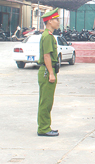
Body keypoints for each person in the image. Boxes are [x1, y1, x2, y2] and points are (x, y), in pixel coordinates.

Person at [37, 8, 61, 136]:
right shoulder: (47, 36)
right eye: (57, 20)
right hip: (47, 71)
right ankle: (43, 128)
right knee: (45, 101)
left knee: (47, 101)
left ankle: (45, 126)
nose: (58, 22)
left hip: (48, 70)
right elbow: (47, 56)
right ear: (50, 21)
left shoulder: (49, 35)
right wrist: (51, 73)